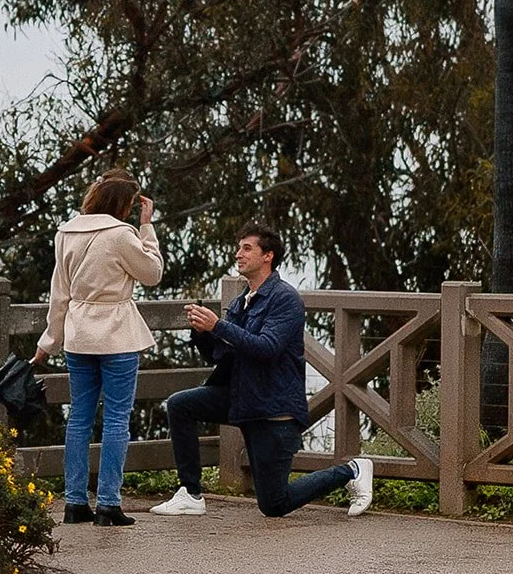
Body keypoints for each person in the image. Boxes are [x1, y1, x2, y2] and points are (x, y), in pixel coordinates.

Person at [150, 222, 372, 519]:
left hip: (272, 408)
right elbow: (220, 355)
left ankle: (352, 470)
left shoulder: (285, 298)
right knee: (180, 404)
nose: (238, 254)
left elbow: (267, 348)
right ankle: (190, 493)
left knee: (274, 504)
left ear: (268, 256)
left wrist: (218, 325)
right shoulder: (241, 301)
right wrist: (203, 332)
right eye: (238, 248)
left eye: (247, 248)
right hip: (241, 399)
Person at [31, 168, 163, 527]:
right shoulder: (121, 234)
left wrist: (48, 344)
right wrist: (147, 227)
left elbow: (59, 295)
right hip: (117, 334)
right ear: (122, 203)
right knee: (117, 418)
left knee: (79, 418)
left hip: (79, 335)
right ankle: (108, 503)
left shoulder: (65, 233)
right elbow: (152, 274)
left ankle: (74, 502)